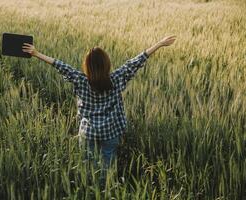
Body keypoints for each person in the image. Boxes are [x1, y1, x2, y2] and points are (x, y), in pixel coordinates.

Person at [22, 35, 176, 190]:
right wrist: (160, 44)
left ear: (87, 66)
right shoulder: (116, 78)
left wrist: (36, 53)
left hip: (88, 133)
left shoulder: (80, 80)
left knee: (88, 165)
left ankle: (89, 189)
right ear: (107, 64)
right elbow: (136, 62)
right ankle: (105, 189)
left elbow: (60, 65)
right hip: (111, 132)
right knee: (108, 164)